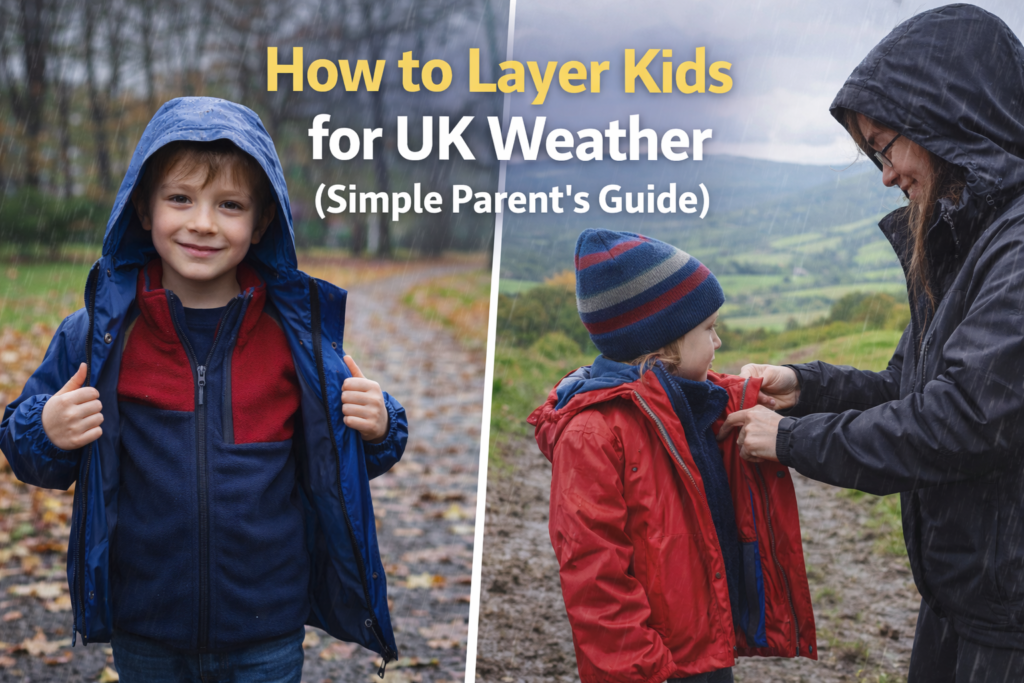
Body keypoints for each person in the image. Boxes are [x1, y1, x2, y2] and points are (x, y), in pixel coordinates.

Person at [0, 97, 408, 682]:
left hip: (266, 627)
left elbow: (344, 456)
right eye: (180, 199)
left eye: (230, 205)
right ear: (143, 207)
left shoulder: (293, 336)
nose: (203, 223)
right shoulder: (99, 333)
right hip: (146, 624)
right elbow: (23, 444)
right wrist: (46, 429)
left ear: (263, 221)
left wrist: (381, 424)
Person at [716, 5, 1024, 682]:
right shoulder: (969, 243)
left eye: (885, 145)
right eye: (873, 155)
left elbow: (961, 420)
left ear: (950, 116)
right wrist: (806, 389)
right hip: (965, 601)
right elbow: (909, 391)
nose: (885, 173)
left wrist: (793, 441)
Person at [528, 229, 817, 683]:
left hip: (707, 643)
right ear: (662, 341)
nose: (717, 342)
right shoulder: (592, 432)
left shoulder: (701, 404)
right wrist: (639, 668)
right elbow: (594, 575)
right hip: (656, 660)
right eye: (708, 329)